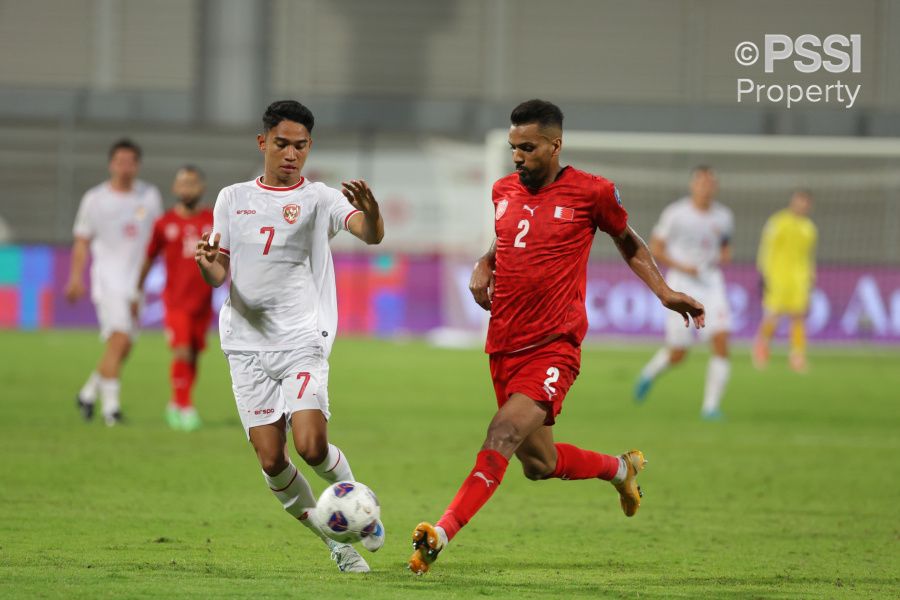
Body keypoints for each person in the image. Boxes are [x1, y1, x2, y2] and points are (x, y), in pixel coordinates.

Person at [407, 99, 705, 575]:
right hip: (503, 342)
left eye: (527, 147)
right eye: (513, 148)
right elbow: (505, 240)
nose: (518, 157)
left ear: (554, 145)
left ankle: (439, 534)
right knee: (538, 463)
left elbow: (628, 240)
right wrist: (486, 262)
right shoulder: (503, 190)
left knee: (501, 432)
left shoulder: (592, 192)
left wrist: (665, 291)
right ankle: (621, 469)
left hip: (554, 346)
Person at [195, 100, 386, 573]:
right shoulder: (232, 198)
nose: (291, 154)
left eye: (300, 146)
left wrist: (372, 211)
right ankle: (336, 543)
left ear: (309, 148)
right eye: (282, 144)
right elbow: (219, 271)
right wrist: (207, 264)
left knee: (311, 447)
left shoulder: (320, 198)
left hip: (302, 339)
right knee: (271, 460)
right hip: (244, 344)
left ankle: (359, 509)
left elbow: (370, 234)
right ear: (263, 143)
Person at [67, 139, 163, 426]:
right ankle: (111, 410)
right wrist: (75, 277)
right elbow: (82, 241)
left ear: (137, 165)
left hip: (137, 283)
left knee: (124, 346)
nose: (124, 167)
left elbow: (156, 239)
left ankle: (87, 393)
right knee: (119, 339)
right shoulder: (94, 199)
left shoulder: (149, 196)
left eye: (130, 161)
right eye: (119, 161)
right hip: (108, 280)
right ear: (111, 164)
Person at [633, 166, 734, 421]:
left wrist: (722, 257)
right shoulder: (676, 214)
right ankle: (649, 373)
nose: (706, 187)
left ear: (715, 187)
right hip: (682, 283)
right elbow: (655, 248)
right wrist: (683, 266)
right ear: (693, 185)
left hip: (712, 283)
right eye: (701, 182)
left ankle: (710, 407)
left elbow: (725, 247)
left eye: (710, 182)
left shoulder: (724, 216)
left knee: (721, 341)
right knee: (679, 353)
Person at [135, 166, 214, 430]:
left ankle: (175, 404)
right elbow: (148, 257)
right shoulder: (164, 223)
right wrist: (138, 289)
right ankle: (185, 406)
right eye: (182, 183)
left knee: (192, 354)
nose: (187, 188)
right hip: (176, 301)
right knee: (181, 351)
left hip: (203, 301)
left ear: (201, 188)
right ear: (175, 188)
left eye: (192, 183)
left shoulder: (213, 219)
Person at [752, 190, 817, 372]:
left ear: (808, 205)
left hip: (799, 279)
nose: (801, 205)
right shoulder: (777, 222)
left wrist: (811, 272)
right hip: (778, 277)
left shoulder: (809, 228)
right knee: (773, 315)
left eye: (805, 202)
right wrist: (763, 272)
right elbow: (766, 248)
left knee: (798, 316)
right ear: (793, 202)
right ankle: (761, 347)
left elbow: (808, 255)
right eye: (799, 201)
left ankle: (797, 356)